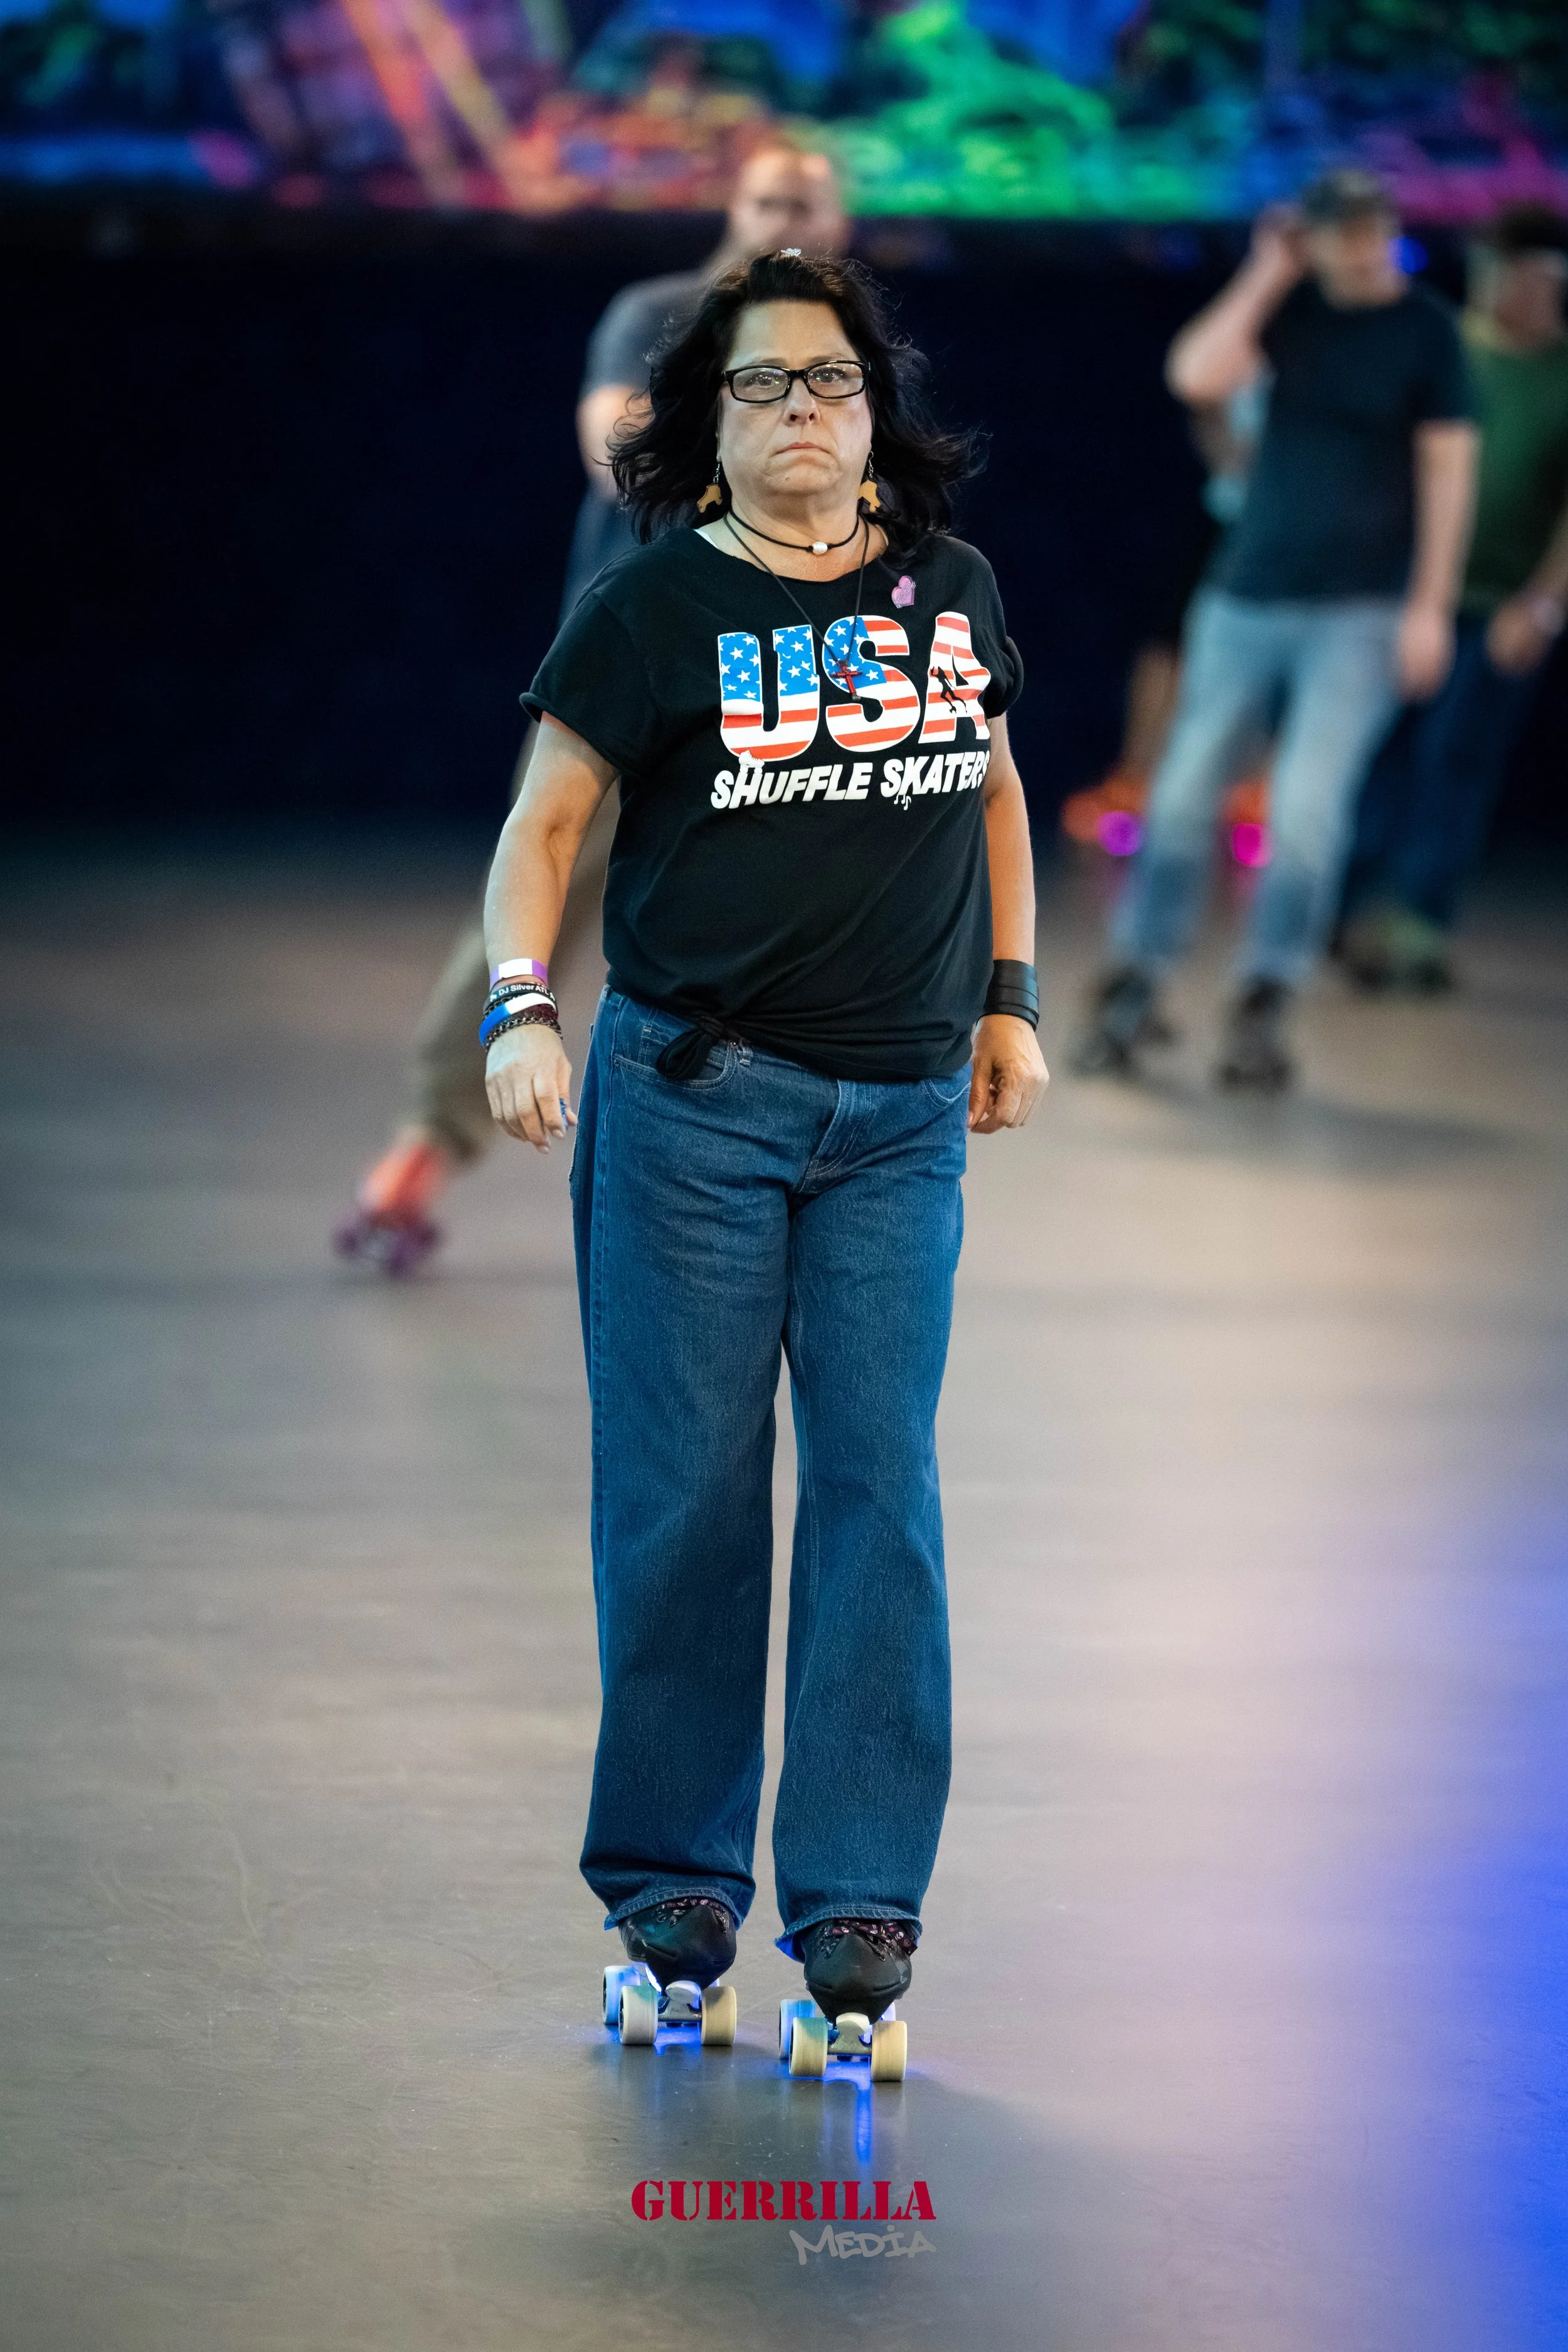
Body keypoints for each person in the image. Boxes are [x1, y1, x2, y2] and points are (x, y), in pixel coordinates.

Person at [480, 251, 1047, 2033]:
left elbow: (996, 784)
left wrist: (1012, 996)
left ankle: (861, 1908)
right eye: (760, 386)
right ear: (699, 427)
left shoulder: (945, 587)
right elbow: (544, 821)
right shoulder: (652, 608)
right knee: (690, 1498)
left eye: (828, 382)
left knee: (883, 1493)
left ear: (873, 413)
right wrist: (517, 1005)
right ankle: (669, 1890)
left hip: (895, 1123)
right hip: (692, 1113)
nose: (800, 411)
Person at [333, 142, 849, 1272]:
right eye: (768, 200)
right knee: (531, 901)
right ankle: (426, 1142)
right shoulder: (658, 315)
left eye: (806, 205)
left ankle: (761, 1181)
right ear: (736, 206)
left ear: (840, 219)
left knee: (779, 925)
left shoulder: (845, 355)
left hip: (780, 678)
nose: (784, 221)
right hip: (632, 672)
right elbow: (620, 454)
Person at [1071, 169, 1477, 1091]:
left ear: (1389, 229)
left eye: (1368, 227)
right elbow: (1195, 374)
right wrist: (1265, 273)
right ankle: (1138, 979)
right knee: (1177, 802)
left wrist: (1431, 605)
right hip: (1247, 592)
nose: (1353, 244)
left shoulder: (1426, 333)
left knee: (1304, 814)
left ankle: (1265, 995)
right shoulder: (1289, 315)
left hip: (1362, 610)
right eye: (1335, 230)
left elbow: (1450, 471)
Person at [1338, 204, 1568, 992]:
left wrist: (1541, 604)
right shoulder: (1449, 350)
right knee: (1375, 752)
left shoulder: (1560, 371)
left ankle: (1418, 924)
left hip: (1496, 603)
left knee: (1455, 760)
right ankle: (1344, 914)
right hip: (1401, 595)